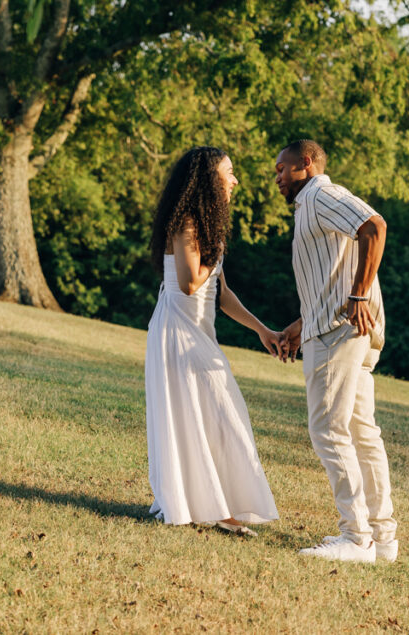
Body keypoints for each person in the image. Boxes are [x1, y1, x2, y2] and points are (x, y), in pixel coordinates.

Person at [145, 146, 280, 536]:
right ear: (209, 178)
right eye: (229, 172)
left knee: (217, 414)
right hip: (178, 331)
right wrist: (215, 253)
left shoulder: (205, 225)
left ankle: (218, 506)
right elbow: (189, 285)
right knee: (212, 412)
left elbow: (220, 293)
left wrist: (261, 330)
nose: (235, 180)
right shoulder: (186, 222)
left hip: (199, 331)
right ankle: (216, 509)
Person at [275, 139, 398, 563]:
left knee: (327, 430)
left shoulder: (321, 194)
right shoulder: (311, 206)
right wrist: (298, 327)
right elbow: (328, 281)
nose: (276, 179)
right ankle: (382, 539)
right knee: (362, 433)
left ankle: (356, 537)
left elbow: (375, 227)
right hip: (336, 329)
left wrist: (360, 294)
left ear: (305, 164)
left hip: (339, 334)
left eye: (281, 169)